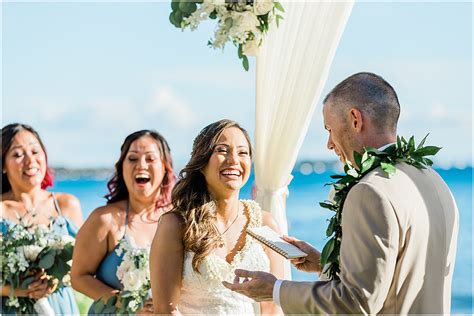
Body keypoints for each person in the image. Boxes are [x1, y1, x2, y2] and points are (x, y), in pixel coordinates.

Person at [223, 72, 460, 314]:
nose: (329, 143)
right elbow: (396, 277)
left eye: (329, 129)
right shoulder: (434, 182)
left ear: (355, 120)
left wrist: (275, 289)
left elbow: (356, 302)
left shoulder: (370, 192)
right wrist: (325, 264)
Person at [150, 119, 285, 315]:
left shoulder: (265, 223)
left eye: (243, 152)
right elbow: (165, 310)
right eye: (222, 150)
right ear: (202, 162)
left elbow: (273, 307)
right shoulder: (176, 224)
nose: (234, 160)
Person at [71, 129, 176, 314]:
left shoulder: (179, 219)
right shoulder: (104, 219)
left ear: (165, 167)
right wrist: (127, 304)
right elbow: (79, 277)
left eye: (150, 159)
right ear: (122, 167)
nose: (141, 165)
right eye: (133, 158)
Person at [1, 123, 83, 314]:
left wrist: (58, 278)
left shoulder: (66, 205)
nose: (30, 161)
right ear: (3, 165)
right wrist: (19, 289)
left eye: (35, 151)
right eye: (18, 154)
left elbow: (86, 267)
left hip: (61, 307)